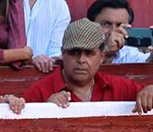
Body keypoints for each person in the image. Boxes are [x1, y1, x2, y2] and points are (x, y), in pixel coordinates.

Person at [19, 18, 153, 109]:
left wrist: (150, 90)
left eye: (89, 53)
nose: (81, 60)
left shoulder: (119, 87)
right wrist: (44, 111)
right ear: (62, 54)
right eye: (74, 52)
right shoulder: (40, 92)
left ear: (102, 57)